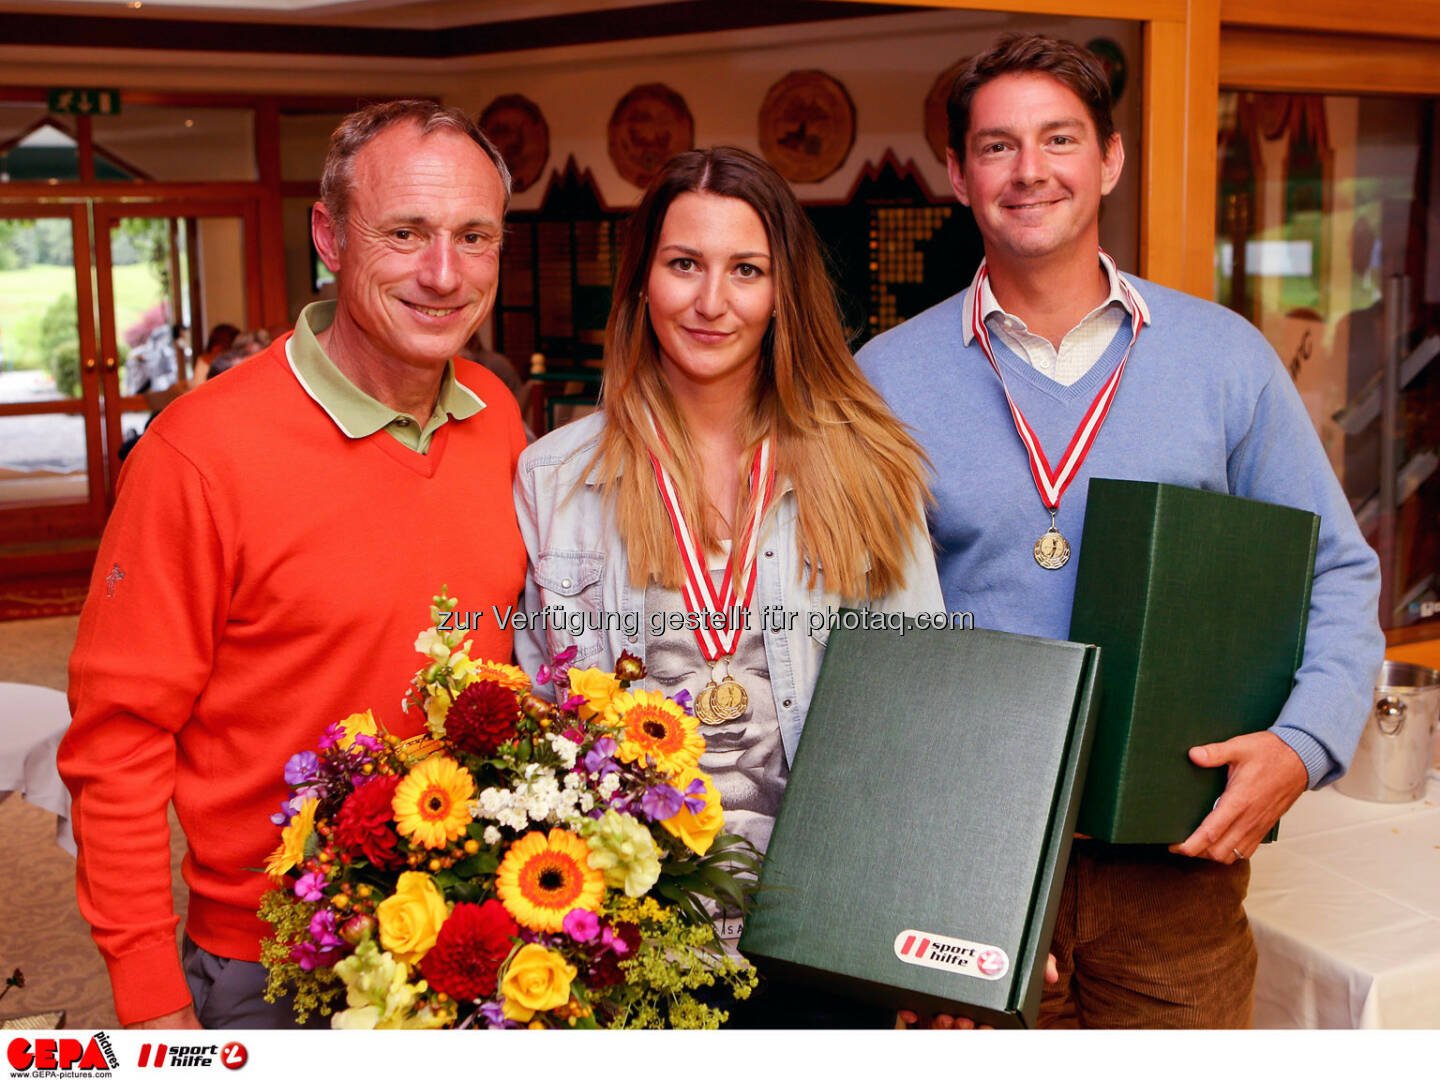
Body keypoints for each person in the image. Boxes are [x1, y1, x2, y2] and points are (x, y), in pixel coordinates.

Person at [858, 33, 1384, 1029]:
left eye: (1059, 138)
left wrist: (1301, 743)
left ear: (1110, 159)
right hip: (972, 862)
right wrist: (898, 890)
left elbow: (1339, 574)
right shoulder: (884, 379)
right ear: (960, 176)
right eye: (997, 146)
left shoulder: (1225, 358)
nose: (1030, 170)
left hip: (1176, 863)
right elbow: (857, 634)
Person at [60, 100, 527, 1030]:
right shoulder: (199, 454)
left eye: (474, 237)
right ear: (329, 236)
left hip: (477, 932)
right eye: (405, 233)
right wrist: (149, 994)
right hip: (271, 963)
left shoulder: (497, 413)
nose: (444, 273)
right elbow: (116, 744)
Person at [514, 146, 944, 1027]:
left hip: (826, 933)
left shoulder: (870, 469)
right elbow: (536, 719)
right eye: (684, 265)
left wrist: (929, 929)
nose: (712, 302)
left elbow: (922, 716)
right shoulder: (554, 477)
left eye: (746, 270)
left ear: (783, 291)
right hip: (628, 942)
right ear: (640, 282)